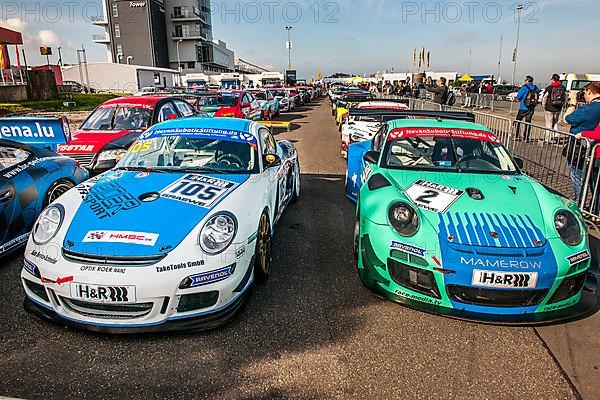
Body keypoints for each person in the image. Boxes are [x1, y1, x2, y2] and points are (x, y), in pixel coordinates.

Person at [564, 81, 600, 199]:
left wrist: (572, 104)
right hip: (593, 149)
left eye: (584, 92)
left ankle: (578, 203)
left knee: (578, 178)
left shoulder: (588, 109)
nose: (583, 95)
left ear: (589, 91)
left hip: (580, 148)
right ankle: (594, 209)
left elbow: (567, 119)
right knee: (594, 182)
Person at [514, 76, 540, 141]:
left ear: (527, 80)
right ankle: (526, 137)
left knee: (518, 121)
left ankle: (517, 136)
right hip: (531, 107)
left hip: (523, 107)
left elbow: (518, 97)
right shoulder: (536, 88)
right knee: (528, 122)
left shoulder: (525, 88)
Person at [542, 73, 567, 141]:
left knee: (549, 124)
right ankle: (556, 135)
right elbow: (565, 98)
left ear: (553, 79)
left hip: (549, 108)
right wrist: (562, 105)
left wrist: (544, 106)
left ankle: (548, 138)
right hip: (558, 108)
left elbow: (544, 98)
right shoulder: (562, 88)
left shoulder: (550, 88)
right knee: (555, 122)